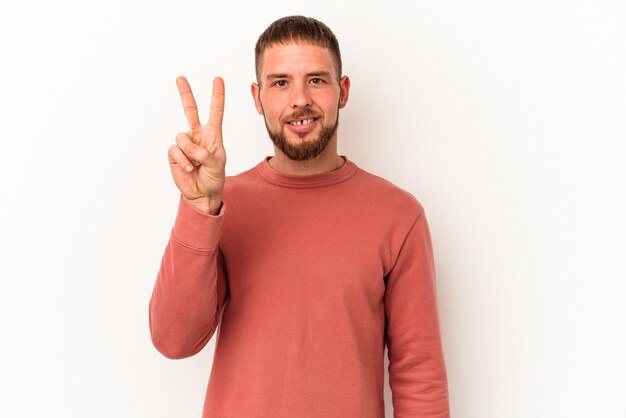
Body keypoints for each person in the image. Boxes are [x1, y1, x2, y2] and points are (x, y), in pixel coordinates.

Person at [149, 15, 450, 418]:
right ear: (257, 98)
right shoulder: (224, 203)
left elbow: (419, 375)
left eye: (316, 80)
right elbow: (174, 340)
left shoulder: (399, 216)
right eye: (280, 82)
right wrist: (199, 209)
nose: (299, 99)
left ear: (342, 91)